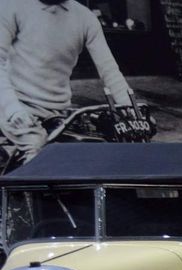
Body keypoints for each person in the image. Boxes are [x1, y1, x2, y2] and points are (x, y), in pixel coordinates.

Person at [0, 0, 132, 160]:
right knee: (36, 150)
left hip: (57, 113)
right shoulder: (12, 7)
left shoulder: (84, 17)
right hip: (14, 107)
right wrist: (13, 109)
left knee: (92, 150)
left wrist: (131, 109)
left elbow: (109, 69)